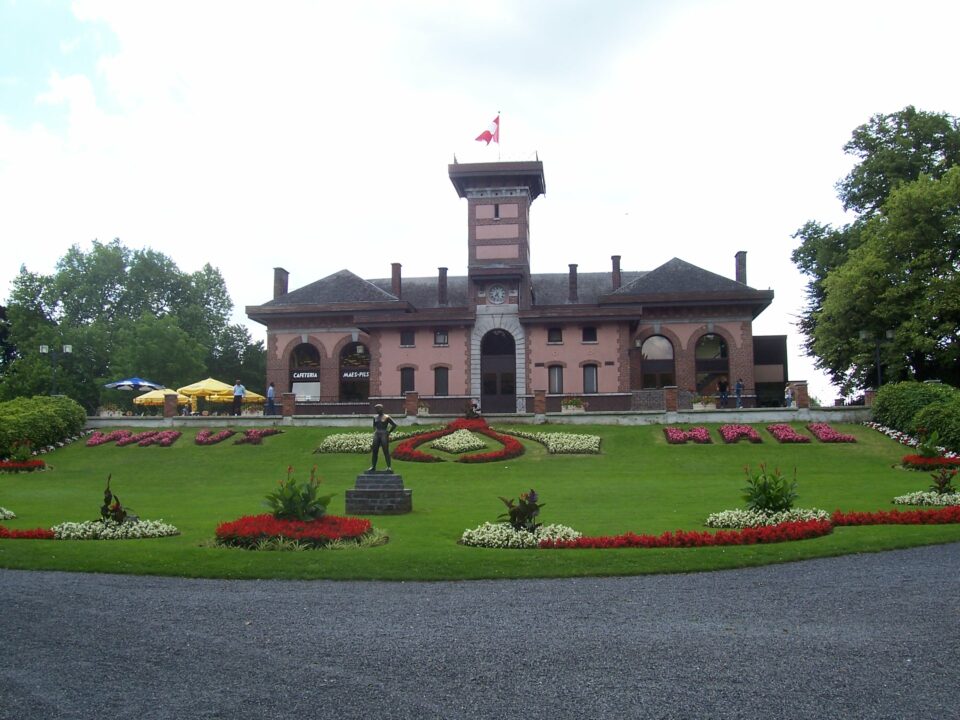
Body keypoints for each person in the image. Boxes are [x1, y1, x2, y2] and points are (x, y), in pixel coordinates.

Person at [368, 403, 398, 472]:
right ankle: (373, 466)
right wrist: (375, 431)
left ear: (381, 409)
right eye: (376, 409)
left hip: (384, 433)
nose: (377, 410)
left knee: (385, 450)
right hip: (377, 433)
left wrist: (388, 432)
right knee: (374, 451)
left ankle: (389, 467)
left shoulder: (386, 417)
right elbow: (374, 426)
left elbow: (394, 425)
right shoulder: (375, 417)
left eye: (378, 409)